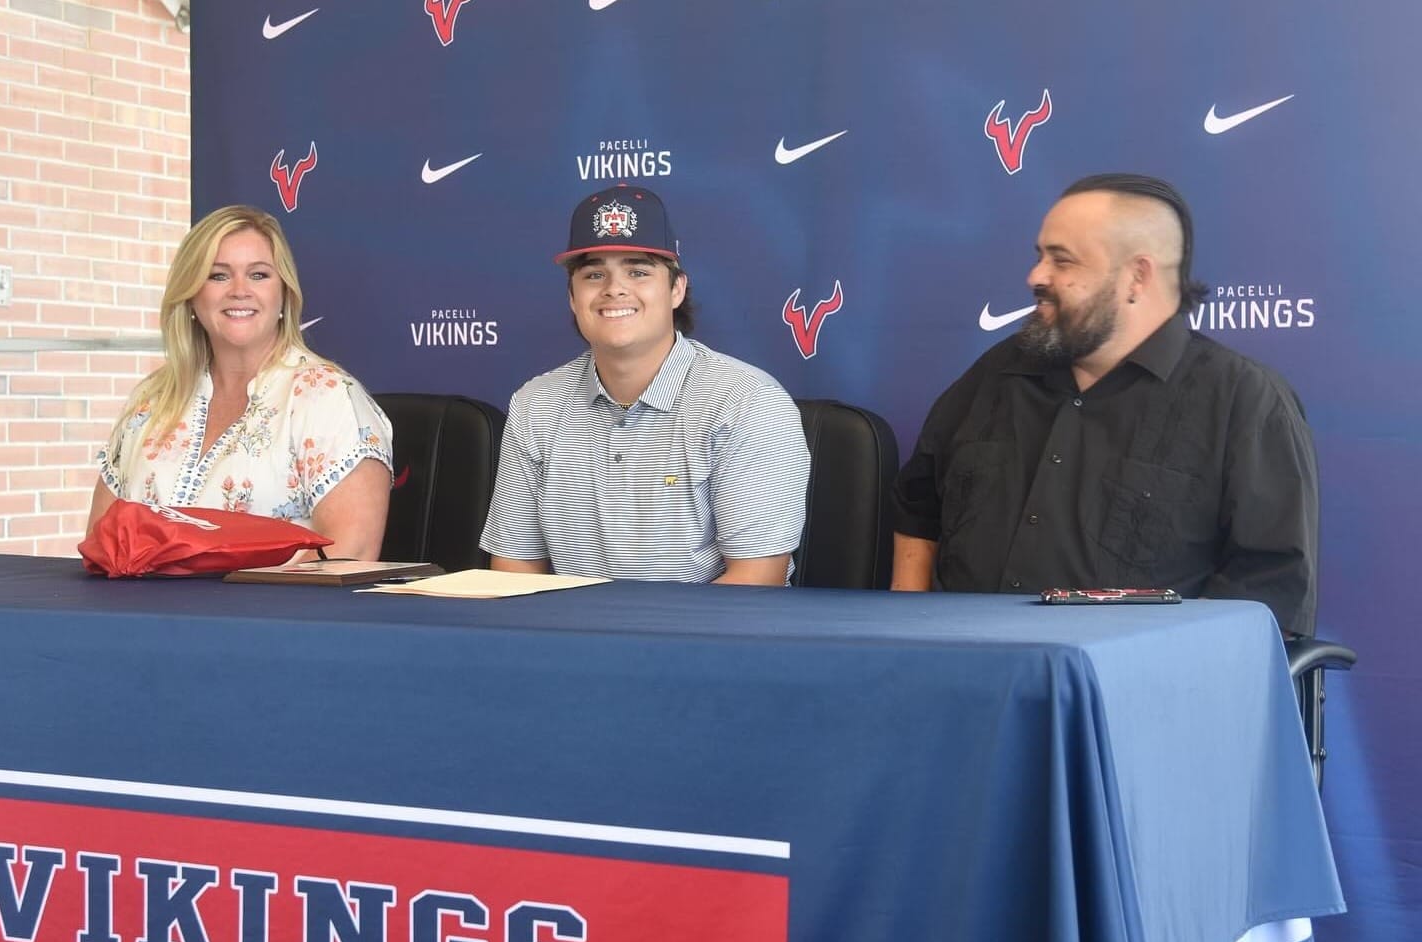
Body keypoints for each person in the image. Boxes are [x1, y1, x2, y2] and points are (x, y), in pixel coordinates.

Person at [891, 173, 1319, 636]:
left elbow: (1269, 590)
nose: (1036, 276)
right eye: (1040, 256)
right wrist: (911, 632)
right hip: (966, 667)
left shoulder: (1244, 400)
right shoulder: (995, 374)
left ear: (1137, 276)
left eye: (1062, 260)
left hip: (1135, 680)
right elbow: (918, 506)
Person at [480, 183, 810, 584]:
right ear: (572, 298)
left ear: (676, 289)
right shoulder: (536, 404)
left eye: (638, 271)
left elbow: (757, 580)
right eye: (594, 274)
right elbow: (514, 568)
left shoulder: (748, 403)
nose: (614, 289)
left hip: (711, 626)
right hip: (568, 625)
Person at [86, 204, 393, 560]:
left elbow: (349, 555)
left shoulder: (329, 398)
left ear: (284, 294)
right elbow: (100, 544)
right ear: (191, 294)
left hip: (277, 600)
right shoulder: (150, 399)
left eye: (259, 275)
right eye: (218, 276)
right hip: (138, 599)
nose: (239, 290)